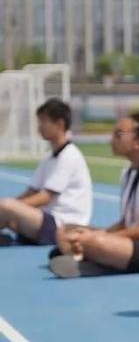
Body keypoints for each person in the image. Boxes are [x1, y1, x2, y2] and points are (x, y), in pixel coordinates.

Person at [48, 113, 139, 278]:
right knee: (65, 230)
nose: (112, 139)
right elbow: (125, 223)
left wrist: (96, 238)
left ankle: (92, 260)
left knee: (92, 241)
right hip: (134, 243)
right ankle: (94, 258)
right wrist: (96, 234)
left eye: (119, 134)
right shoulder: (128, 172)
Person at [0, 98, 92, 246]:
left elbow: (45, 198)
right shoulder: (49, 157)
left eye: (43, 121)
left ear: (60, 124)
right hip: (47, 220)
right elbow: (31, 191)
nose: (39, 127)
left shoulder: (69, 155)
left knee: (7, 207)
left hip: (63, 225)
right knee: (8, 208)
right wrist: (13, 209)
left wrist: (11, 208)